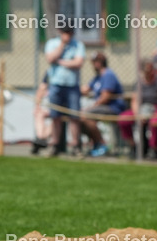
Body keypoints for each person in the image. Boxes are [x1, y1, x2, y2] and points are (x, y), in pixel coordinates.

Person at [45, 25, 85, 156]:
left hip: (72, 85)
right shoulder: (52, 43)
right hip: (56, 85)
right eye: (65, 32)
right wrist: (62, 45)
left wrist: (61, 62)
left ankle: (75, 145)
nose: (68, 35)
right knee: (55, 116)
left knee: (74, 117)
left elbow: (78, 63)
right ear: (60, 32)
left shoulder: (78, 45)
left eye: (70, 32)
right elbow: (50, 59)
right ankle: (55, 144)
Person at [76, 52, 123, 157]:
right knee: (78, 117)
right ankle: (96, 143)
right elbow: (85, 89)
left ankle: (102, 144)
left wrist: (90, 108)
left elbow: (105, 98)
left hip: (113, 108)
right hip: (102, 107)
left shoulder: (108, 75)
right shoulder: (97, 77)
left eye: (95, 62)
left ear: (101, 62)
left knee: (85, 115)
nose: (93, 64)